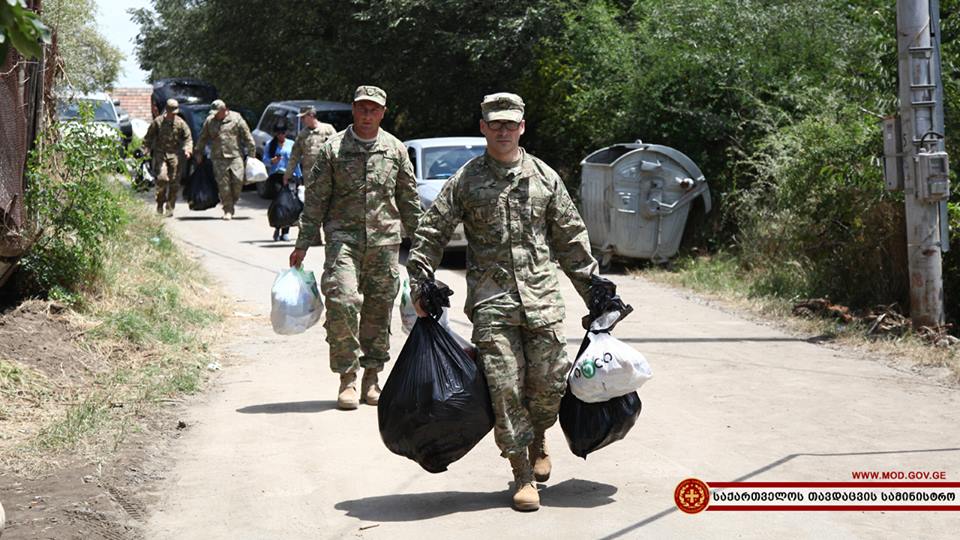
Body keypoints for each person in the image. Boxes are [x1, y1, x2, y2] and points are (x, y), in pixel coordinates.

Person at [406, 92, 604, 512]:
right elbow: (430, 233)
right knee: (504, 388)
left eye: (509, 123)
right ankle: (521, 473)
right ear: (483, 127)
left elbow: (570, 239)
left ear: (522, 127)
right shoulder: (466, 180)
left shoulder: (545, 178)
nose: (502, 130)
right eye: (494, 123)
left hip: (542, 300)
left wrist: (596, 290)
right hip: (491, 303)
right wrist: (421, 283)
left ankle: (539, 437)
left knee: (549, 384)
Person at [289, 85, 421, 410]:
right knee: (343, 301)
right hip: (342, 241)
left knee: (378, 311)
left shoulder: (395, 149)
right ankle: (346, 377)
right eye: (362, 108)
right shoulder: (333, 149)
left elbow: (409, 200)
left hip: (384, 243)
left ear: (383, 113)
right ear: (353, 109)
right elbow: (316, 200)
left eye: (373, 109)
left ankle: (372, 377)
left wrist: (422, 246)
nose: (367, 115)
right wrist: (302, 244)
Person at [194, 99, 256, 220]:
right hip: (218, 158)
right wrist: (198, 152)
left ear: (224, 109)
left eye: (217, 112)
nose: (215, 114)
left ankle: (232, 202)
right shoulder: (210, 121)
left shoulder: (236, 118)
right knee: (224, 186)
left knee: (238, 182)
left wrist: (252, 155)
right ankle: (228, 209)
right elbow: (203, 138)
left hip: (235, 156)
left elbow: (247, 136)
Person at [143, 98, 192, 217]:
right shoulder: (158, 122)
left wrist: (188, 149)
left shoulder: (180, 123)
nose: (174, 114)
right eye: (172, 111)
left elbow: (188, 138)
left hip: (174, 155)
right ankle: (160, 204)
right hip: (160, 154)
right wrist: (145, 149)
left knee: (174, 183)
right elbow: (148, 137)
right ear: (167, 110)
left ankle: (170, 207)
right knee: (162, 179)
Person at [262, 121, 300, 241]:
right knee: (279, 204)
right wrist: (272, 161)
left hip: (289, 176)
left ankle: (285, 231)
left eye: (283, 133)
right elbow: (265, 160)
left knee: (289, 205)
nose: (281, 136)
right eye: (279, 133)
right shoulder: (270, 144)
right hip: (276, 177)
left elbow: (295, 161)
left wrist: (299, 176)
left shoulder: (291, 144)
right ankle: (277, 228)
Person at [283, 106, 336, 189]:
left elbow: (337, 150)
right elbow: (294, 156)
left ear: (311, 115)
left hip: (327, 175)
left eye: (303, 117)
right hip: (309, 177)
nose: (302, 120)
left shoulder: (328, 130)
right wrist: (288, 175)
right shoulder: (302, 135)